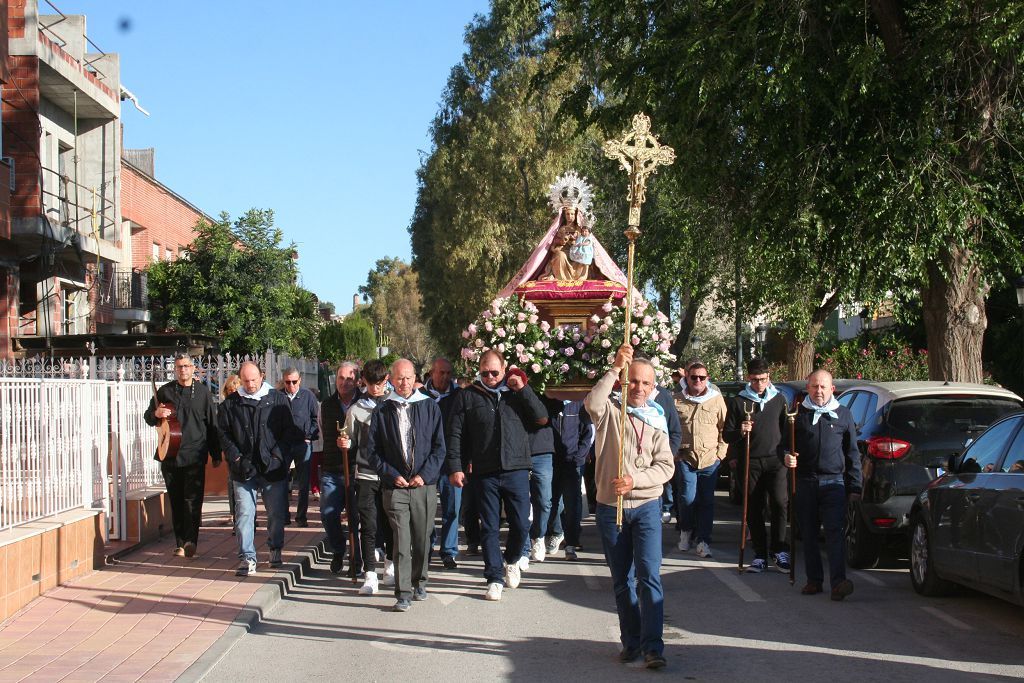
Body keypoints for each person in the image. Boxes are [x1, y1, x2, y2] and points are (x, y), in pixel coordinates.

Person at [585, 344, 675, 670]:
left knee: (649, 576)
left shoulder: (657, 419)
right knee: (622, 579)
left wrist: (635, 480)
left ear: (653, 388)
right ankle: (631, 642)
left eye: (645, 383)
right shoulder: (610, 412)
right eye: (632, 381)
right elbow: (591, 403)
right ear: (625, 383)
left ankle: (654, 647)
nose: (638, 388)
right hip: (612, 507)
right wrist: (614, 368)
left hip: (647, 505)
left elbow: (666, 467)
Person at [447, 349, 548, 602]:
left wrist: (523, 389)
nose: (490, 376)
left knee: (521, 522)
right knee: (490, 526)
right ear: (478, 371)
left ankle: (512, 559)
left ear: (504, 369)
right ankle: (493, 577)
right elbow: (455, 434)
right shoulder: (467, 396)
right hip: (484, 471)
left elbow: (541, 418)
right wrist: (455, 466)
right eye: (485, 372)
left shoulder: (515, 392)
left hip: (516, 467)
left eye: (495, 372)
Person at [367, 359, 446, 612]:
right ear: (391, 379)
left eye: (409, 378)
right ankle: (402, 593)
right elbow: (373, 451)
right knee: (401, 539)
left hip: (423, 485)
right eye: (400, 378)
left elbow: (439, 447)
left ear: (415, 378)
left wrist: (424, 475)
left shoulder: (429, 406)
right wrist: (390, 475)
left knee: (422, 538)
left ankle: (419, 580)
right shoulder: (382, 410)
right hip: (396, 487)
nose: (404, 383)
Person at [783, 369, 862, 601]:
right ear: (808, 388)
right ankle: (814, 580)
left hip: (834, 483)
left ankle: (838, 582)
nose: (819, 391)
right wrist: (787, 457)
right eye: (814, 386)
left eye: (823, 387)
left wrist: (855, 485)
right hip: (805, 481)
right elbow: (783, 446)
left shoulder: (844, 415)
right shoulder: (796, 415)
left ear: (832, 389)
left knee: (834, 533)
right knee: (808, 533)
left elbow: (852, 453)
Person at [219, 361, 300, 576]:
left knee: (275, 513)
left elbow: (288, 432)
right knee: (245, 513)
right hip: (243, 469)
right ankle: (247, 557)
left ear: (261, 376)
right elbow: (223, 435)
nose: (250, 384)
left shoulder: (277, 400)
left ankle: (275, 548)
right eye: (245, 381)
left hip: (272, 469)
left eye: (254, 379)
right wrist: (236, 458)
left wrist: (277, 457)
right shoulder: (231, 404)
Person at [144, 353, 221, 559]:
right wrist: (156, 414)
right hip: (170, 454)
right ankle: (179, 542)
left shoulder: (203, 393)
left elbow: (212, 425)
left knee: (193, 500)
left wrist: (216, 453)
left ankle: (190, 541)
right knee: (176, 500)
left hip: (195, 454)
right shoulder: (165, 391)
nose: (183, 370)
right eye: (179, 367)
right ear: (175, 369)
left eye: (186, 366)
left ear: (193, 368)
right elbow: (149, 417)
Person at [723, 357, 791, 573]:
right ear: (748, 378)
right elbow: (727, 435)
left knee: (780, 503)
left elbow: (786, 430)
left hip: (775, 460)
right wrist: (741, 431)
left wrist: (789, 452)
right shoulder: (739, 401)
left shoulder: (778, 399)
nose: (759, 384)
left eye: (762, 379)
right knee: (754, 506)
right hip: (750, 460)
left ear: (768, 377)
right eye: (754, 380)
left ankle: (779, 550)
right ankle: (760, 553)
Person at [342, 360, 394, 594]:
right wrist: (344, 442)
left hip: (391, 475)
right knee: (368, 525)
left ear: (386, 380)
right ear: (364, 381)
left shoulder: (395, 405)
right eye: (371, 383)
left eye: (380, 383)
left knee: (391, 523)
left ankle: (391, 564)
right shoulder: (356, 409)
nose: (376, 388)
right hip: (365, 474)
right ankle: (370, 573)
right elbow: (349, 438)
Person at [674, 361, 728, 558]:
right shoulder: (677, 400)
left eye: (702, 377)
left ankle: (704, 540)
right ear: (686, 377)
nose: (698, 381)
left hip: (709, 459)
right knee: (687, 498)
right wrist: (674, 454)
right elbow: (669, 429)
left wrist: (720, 454)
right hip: (685, 458)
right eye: (694, 377)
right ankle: (686, 530)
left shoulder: (716, 400)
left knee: (706, 501)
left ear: (707, 379)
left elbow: (724, 428)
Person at [420, 358, 462, 569]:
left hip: (452, 462)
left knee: (452, 508)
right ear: (431, 373)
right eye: (441, 373)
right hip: (426, 463)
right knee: (426, 510)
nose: (445, 377)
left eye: (448, 373)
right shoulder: (420, 397)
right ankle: (426, 548)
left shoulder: (459, 396)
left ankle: (449, 551)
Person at [319, 362, 361, 575]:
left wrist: (353, 445)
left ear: (357, 381)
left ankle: (358, 557)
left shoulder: (364, 403)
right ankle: (338, 548)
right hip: (332, 469)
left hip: (357, 469)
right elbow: (324, 433)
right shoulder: (327, 405)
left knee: (356, 515)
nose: (345, 383)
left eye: (349, 379)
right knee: (328, 512)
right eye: (341, 378)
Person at [545, 397, 594, 560]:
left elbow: (588, 433)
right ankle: (556, 533)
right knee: (550, 502)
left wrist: (579, 457)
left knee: (572, 503)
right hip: (552, 461)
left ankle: (572, 542)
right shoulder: (549, 404)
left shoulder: (580, 405)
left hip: (573, 462)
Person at [280, 368, 320, 527]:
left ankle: (301, 517)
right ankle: (284, 515)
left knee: (304, 483)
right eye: (287, 382)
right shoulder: (278, 396)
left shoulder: (308, 396)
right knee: (282, 481)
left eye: (294, 382)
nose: (291, 385)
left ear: (300, 380)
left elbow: (315, 419)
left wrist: (309, 436)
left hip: (303, 444)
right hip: (284, 445)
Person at [222, 374, 242, 536]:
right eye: (230, 390)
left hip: (247, 453)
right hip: (232, 453)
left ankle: (249, 518)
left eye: (236, 390)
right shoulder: (224, 407)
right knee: (232, 485)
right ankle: (236, 518)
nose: (233, 393)